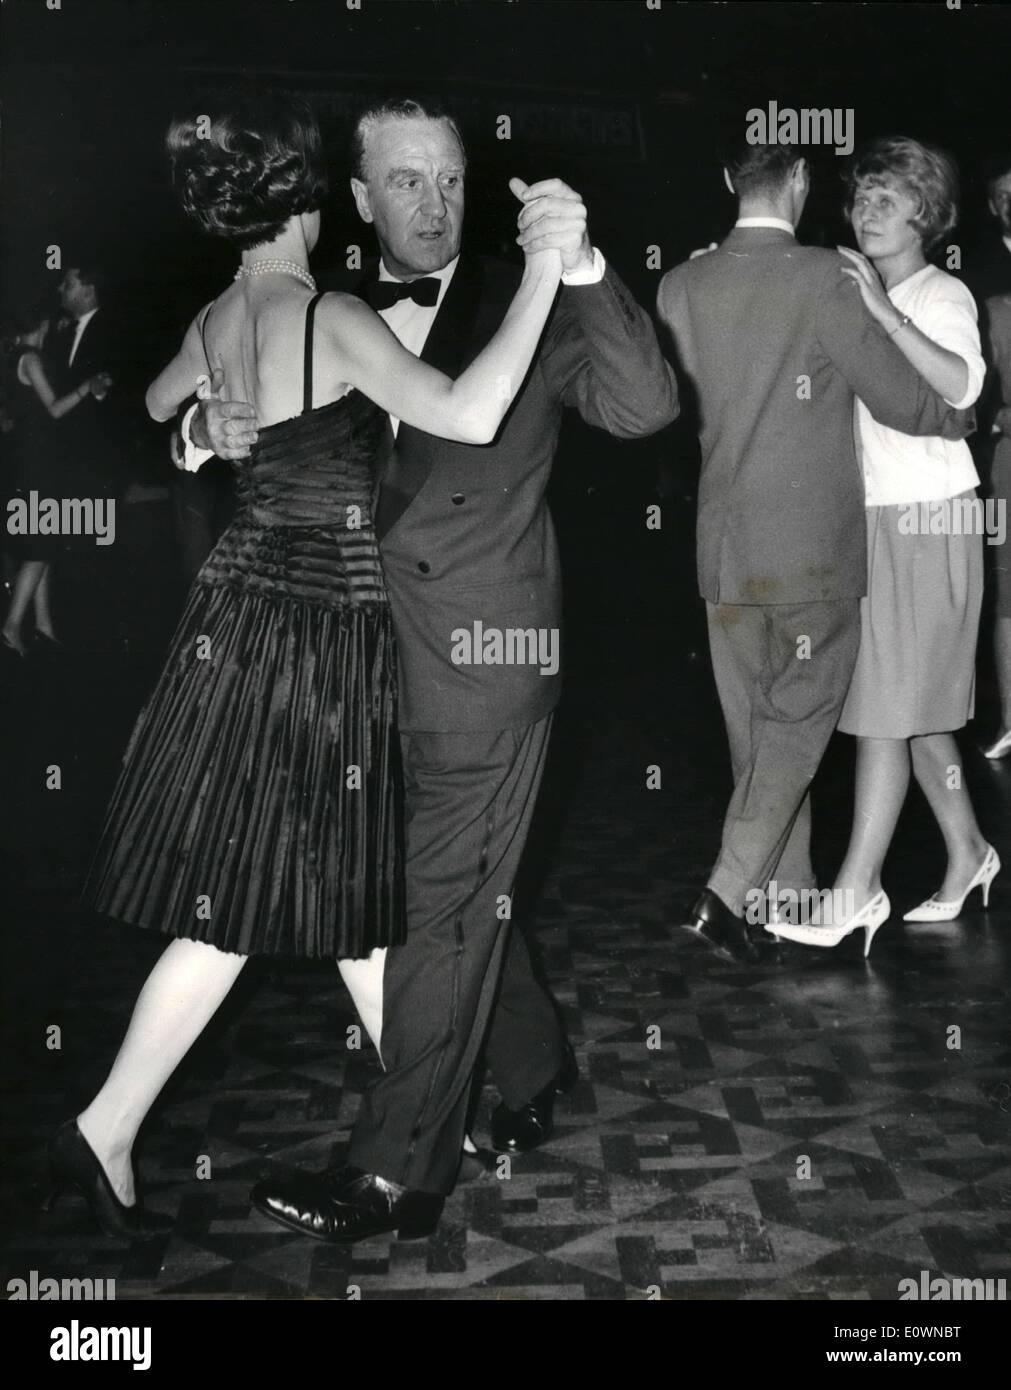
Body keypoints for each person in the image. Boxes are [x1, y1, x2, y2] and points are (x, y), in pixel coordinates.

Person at [47, 88, 566, 1241]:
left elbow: (153, 406)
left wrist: (202, 433)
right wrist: (541, 279)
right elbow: (470, 415)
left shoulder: (216, 315)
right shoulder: (329, 313)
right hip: (321, 631)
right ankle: (119, 1123)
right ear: (308, 200)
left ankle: (426, 1111)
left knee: (315, 896)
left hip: (233, 618)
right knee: (306, 893)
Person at [193, 94, 678, 1244]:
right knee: (446, 889)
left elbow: (649, 404)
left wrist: (591, 263)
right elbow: (208, 412)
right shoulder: (329, 314)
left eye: (451, 178)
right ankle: (531, 1064)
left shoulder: (525, 297)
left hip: (483, 657)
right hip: (351, 661)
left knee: (432, 905)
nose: (434, 201)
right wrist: (198, 432)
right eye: (404, 180)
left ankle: (394, 1174)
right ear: (357, 200)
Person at [656, 137, 976, 967]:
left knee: (757, 739)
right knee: (798, 730)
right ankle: (728, 893)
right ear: (800, 181)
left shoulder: (679, 282)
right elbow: (912, 403)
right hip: (814, 553)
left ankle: (783, 896)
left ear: (728, 180)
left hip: (724, 551)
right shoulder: (822, 280)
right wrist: (960, 419)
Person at [771, 137, 992, 954]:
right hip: (870, 519)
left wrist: (882, 310)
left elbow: (964, 386)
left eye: (887, 198)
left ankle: (854, 891)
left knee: (881, 715)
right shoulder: (845, 285)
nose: (867, 208)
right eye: (861, 194)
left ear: (925, 216)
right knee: (917, 712)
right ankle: (967, 852)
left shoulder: (940, 293)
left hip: (929, 517)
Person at [2, 309, 111, 657]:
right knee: (43, 544)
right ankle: (11, 626)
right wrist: (86, 388)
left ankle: (43, 626)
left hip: (29, 458)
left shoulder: (14, 357)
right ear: (43, 322)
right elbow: (54, 408)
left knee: (40, 544)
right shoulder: (31, 358)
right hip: (38, 463)